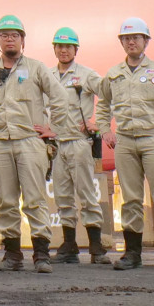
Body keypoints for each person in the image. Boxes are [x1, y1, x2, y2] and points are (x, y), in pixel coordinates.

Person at [0, 15, 68, 273]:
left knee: (34, 199)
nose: (10, 39)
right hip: (0, 143)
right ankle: (12, 255)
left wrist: (53, 130)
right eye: (4, 35)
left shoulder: (36, 69)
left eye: (15, 35)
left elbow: (60, 98)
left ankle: (41, 255)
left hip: (30, 142)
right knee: (6, 200)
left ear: (23, 40)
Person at [96, 16, 154, 272]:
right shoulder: (113, 74)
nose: (131, 42)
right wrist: (105, 130)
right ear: (121, 42)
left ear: (146, 41)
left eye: (136, 37)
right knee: (131, 198)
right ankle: (132, 253)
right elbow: (102, 106)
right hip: (125, 141)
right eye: (127, 38)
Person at [48, 25, 109, 265]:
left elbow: (108, 93)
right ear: (55, 49)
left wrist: (99, 122)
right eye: (60, 46)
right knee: (63, 196)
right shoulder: (49, 76)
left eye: (68, 46)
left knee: (86, 193)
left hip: (79, 143)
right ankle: (69, 244)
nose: (64, 50)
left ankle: (96, 245)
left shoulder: (86, 75)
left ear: (76, 49)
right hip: (58, 145)